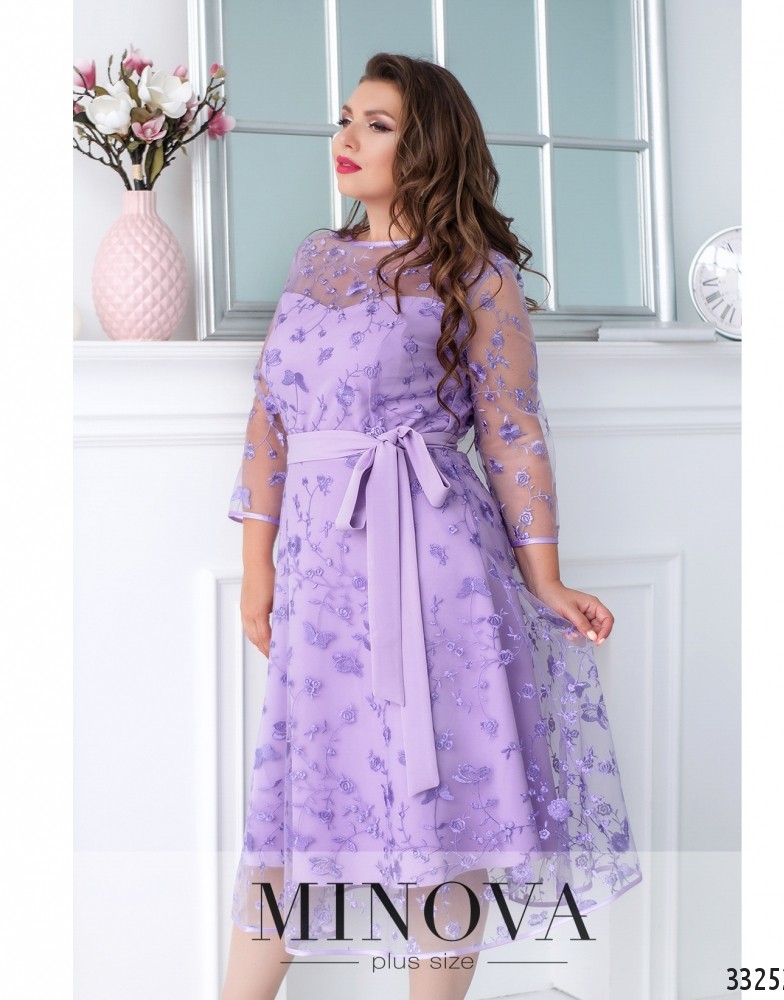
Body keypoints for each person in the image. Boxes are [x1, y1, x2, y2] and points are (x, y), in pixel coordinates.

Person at [220, 52, 641, 1000]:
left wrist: (545, 579)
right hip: (322, 577)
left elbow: (513, 430)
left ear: (429, 148)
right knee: (290, 816)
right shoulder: (315, 259)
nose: (346, 137)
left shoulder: (479, 275)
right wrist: (257, 569)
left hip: (437, 565)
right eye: (345, 117)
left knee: (444, 817)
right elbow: (269, 417)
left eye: (377, 124)